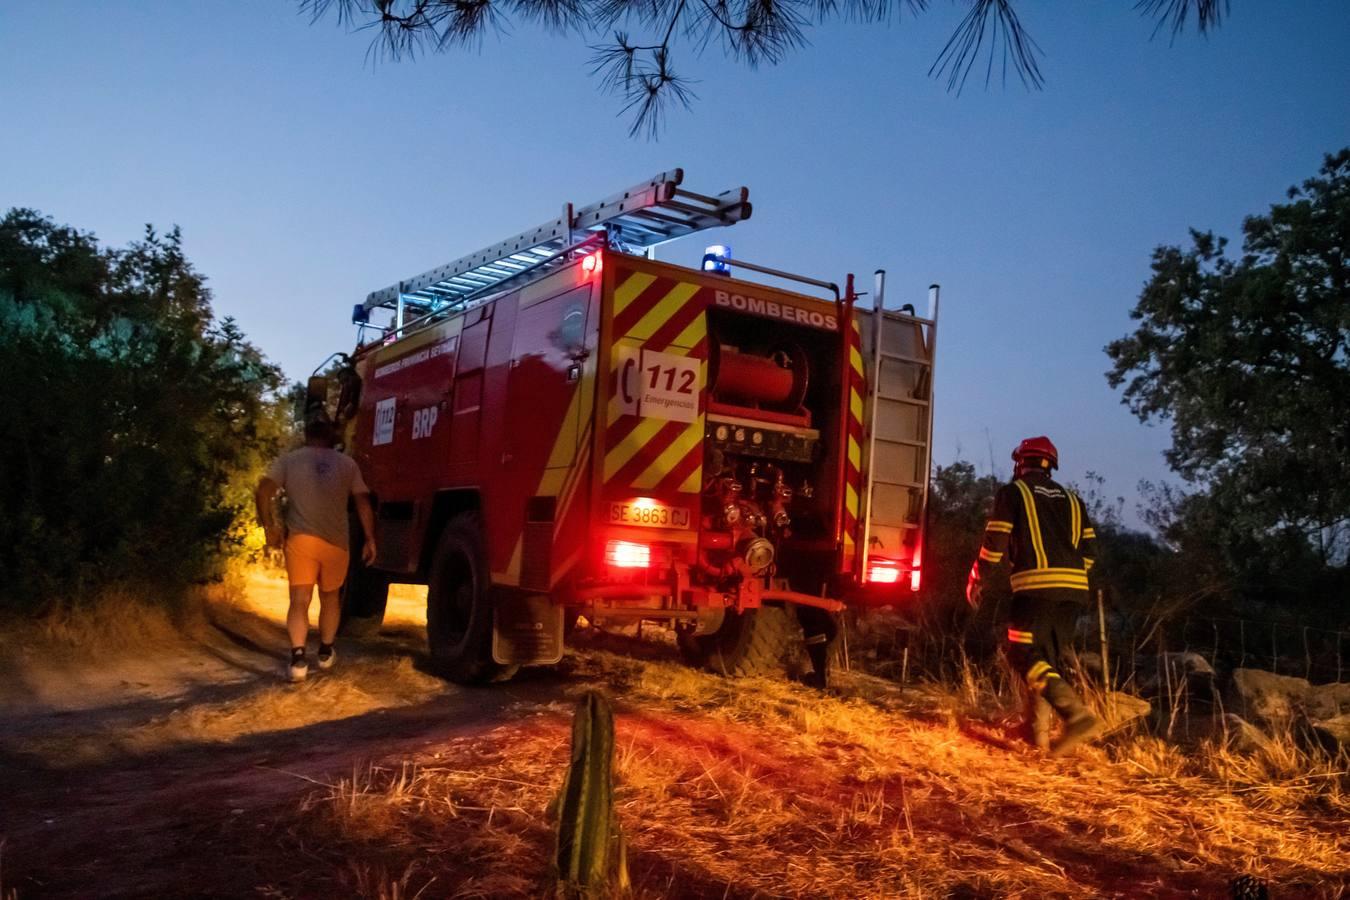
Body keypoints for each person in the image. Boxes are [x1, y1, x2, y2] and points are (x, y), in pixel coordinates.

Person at [966, 436, 1103, 757]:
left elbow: (996, 542)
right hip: (1074, 591)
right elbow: (1090, 552)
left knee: (1022, 653)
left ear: (1020, 463)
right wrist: (1067, 577)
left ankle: (1077, 716)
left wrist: (977, 577)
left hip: (1036, 589)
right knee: (1045, 660)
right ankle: (1035, 731)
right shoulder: (1074, 500)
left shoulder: (1013, 492)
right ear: (1051, 465)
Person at [256, 419, 377, 682]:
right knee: (330, 598)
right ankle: (325, 651)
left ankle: (298, 659)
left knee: (299, 599)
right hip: (336, 543)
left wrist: (269, 527)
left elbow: (264, 490)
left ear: (306, 434)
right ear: (332, 436)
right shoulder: (348, 464)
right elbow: (362, 501)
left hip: (301, 540)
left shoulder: (289, 461)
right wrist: (370, 538)